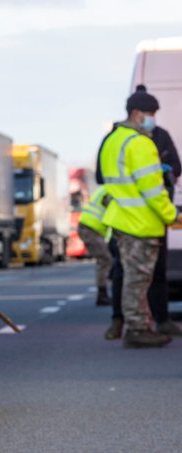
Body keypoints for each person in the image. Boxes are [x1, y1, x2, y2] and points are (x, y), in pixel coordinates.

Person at [98, 85, 182, 348]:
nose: (152, 119)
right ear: (136, 113)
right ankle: (137, 329)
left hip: (122, 220)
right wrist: (172, 215)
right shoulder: (140, 144)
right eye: (150, 113)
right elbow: (153, 190)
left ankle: (136, 325)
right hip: (141, 222)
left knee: (131, 277)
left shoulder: (112, 140)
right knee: (139, 280)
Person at [77, 186, 113, 306]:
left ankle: (103, 293)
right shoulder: (112, 191)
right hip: (90, 228)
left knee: (104, 260)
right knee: (105, 260)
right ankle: (102, 295)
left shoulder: (106, 188)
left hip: (90, 227)